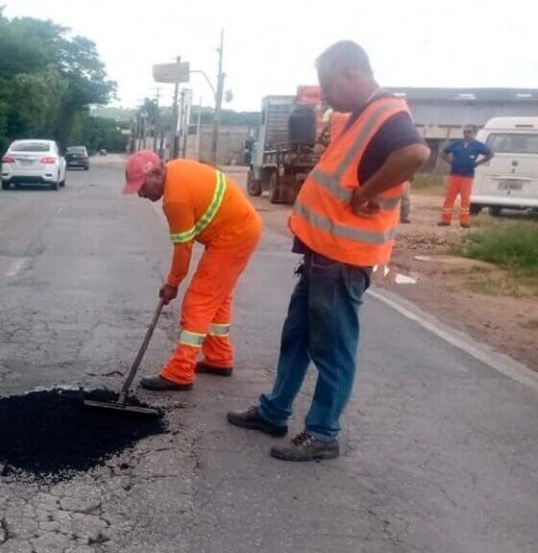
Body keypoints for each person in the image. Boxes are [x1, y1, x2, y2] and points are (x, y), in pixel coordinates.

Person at [226, 40, 430, 461]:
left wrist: (365, 194)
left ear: (351, 75)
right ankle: (274, 411)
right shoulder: (359, 114)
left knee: (332, 350)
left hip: (342, 260)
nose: (326, 96)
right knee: (297, 338)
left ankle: (322, 432)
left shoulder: (387, 113)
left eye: (328, 85)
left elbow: (415, 153)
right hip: (321, 256)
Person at [123, 151, 262, 391]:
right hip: (239, 229)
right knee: (217, 297)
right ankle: (219, 358)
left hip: (233, 235)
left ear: (157, 173)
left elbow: (183, 249)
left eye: (142, 186)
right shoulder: (176, 169)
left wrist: (172, 284)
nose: (141, 193)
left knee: (199, 300)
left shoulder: (174, 200)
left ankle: (180, 372)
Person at [438, 125, 493, 228]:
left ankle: (464, 221)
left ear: (474, 133)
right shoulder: (456, 144)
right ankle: (445, 220)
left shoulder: (478, 145)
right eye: (465, 132)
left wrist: (477, 163)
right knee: (449, 198)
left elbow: (490, 154)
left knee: (465, 200)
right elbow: (444, 153)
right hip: (454, 175)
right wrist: (451, 161)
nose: (466, 134)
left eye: (469, 132)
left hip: (467, 176)